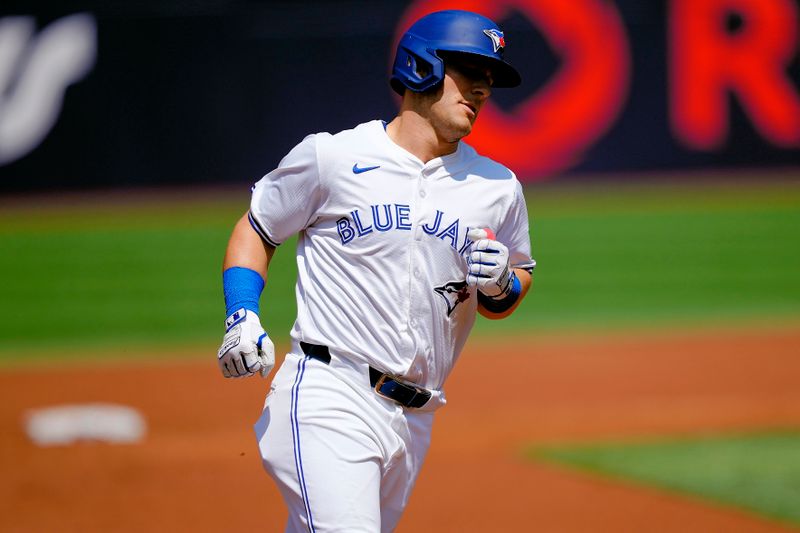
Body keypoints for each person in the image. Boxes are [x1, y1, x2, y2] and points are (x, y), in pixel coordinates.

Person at [217, 9, 535, 532]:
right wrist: (241, 314)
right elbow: (258, 227)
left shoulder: (496, 187)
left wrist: (503, 281)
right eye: (471, 71)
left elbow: (514, 285)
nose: (483, 88)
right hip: (329, 394)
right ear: (422, 66)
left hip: (415, 421)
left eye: (490, 78)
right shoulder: (333, 157)